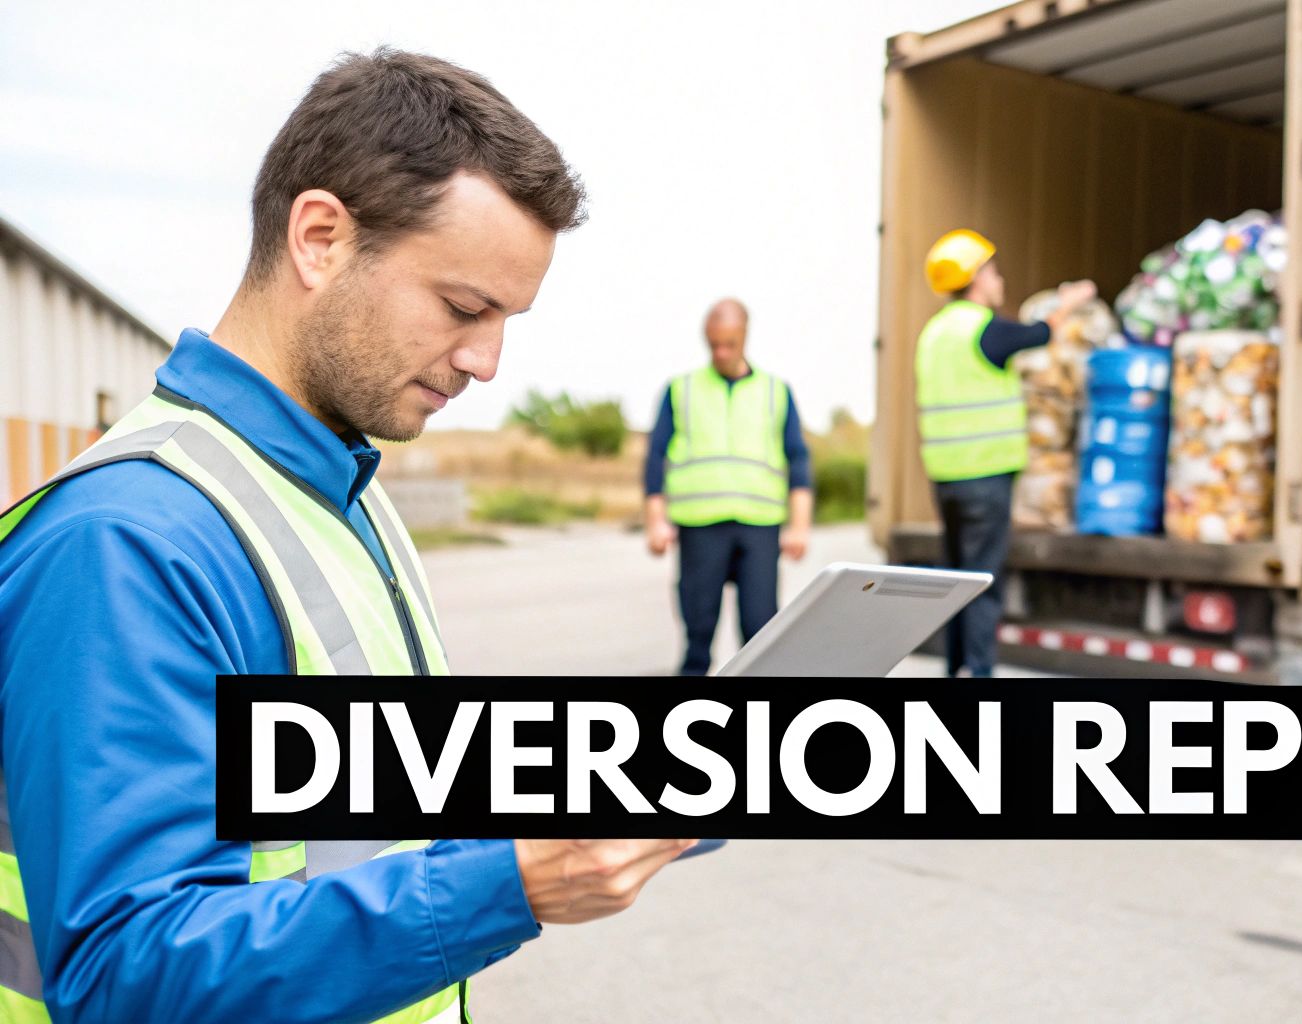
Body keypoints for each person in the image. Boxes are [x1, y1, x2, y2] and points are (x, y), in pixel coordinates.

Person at [0, 49, 694, 1023]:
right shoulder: (123, 542)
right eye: (464, 307)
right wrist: (507, 884)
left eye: (507, 319)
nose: (487, 360)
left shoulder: (336, 486)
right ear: (320, 239)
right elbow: (127, 973)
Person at [915, 229, 1096, 677]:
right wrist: (1070, 302)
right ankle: (977, 675)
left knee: (955, 580)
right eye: (992, 270)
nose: (998, 280)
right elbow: (1039, 332)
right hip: (985, 476)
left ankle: (954, 669)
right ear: (976, 277)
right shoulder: (983, 329)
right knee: (981, 583)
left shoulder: (934, 333)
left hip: (946, 478)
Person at [644, 299, 813, 675]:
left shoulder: (776, 391)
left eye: (729, 344)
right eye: (714, 344)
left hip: (759, 525)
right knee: (698, 630)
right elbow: (655, 458)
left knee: (760, 630)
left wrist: (799, 526)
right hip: (700, 525)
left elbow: (798, 459)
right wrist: (656, 520)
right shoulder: (681, 390)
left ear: (744, 337)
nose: (720, 352)